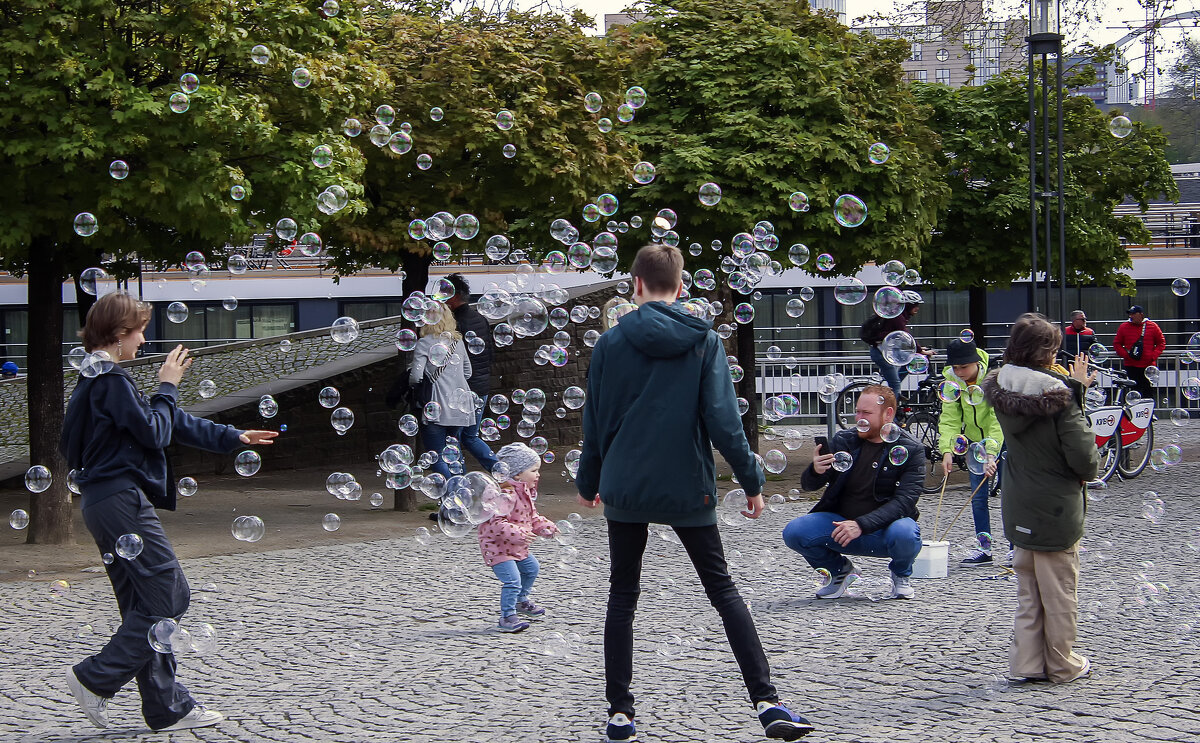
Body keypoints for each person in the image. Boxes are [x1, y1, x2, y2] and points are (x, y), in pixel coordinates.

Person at [576, 244, 814, 743]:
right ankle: (767, 703)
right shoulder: (704, 341)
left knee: (623, 595)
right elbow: (725, 424)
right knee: (723, 591)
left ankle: (619, 712)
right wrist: (753, 481)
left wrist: (589, 482)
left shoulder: (608, 345)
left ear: (635, 285)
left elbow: (593, 424)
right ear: (681, 288)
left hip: (625, 486)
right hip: (687, 487)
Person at [59, 292, 278, 731]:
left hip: (100, 503)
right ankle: (95, 678)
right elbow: (156, 430)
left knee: (143, 608)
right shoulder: (111, 381)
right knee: (170, 596)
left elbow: (169, 422)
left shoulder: (93, 380)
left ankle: (167, 707)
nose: (143, 340)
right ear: (119, 334)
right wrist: (168, 384)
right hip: (121, 502)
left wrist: (232, 436)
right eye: (138, 331)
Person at [981, 313, 1098, 684]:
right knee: (1060, 591)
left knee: (1029, 588)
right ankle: (1063, 664)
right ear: (1048, 353)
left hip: (1018, 499)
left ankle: (1026, 663)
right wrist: (1076, 390)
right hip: (1055, 506)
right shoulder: (1059, 396)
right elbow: (1084, 459)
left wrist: (1070, 388)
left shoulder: (1001, 387)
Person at [783, 385, 925, 600]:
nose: (859, 418)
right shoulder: (844, 440)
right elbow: (809, 486)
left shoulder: (911, 448)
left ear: (888, 414)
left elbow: (905, 501)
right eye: (857, 411)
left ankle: (900, 574)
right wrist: (816, 470)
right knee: (795, 531)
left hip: (886, 530)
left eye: (866, 413)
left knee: (906, 532)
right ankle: (839, 572)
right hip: (841, 524)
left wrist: (861, 524)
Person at [477, 443, 558, 633]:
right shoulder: (504, 495)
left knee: (531, 569)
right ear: (517, 474)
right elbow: (495, 524)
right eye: (534, 470)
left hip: (515, 545)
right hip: (497, 547)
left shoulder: (525, 492)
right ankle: (507, 616)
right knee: (512, 580)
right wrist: (521, 533)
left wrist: (545, 526)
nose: (538, 474)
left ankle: (522, 600)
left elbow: (532, 517)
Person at [938, 339, 1004, 566]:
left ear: (976, 362)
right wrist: (947, 451)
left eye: (964, 367)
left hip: (1003, 443)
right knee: (978, 499)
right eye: (955, 368)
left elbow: (998, 421)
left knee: (1010, 498)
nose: (959, 372)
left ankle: (1017, 549)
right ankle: (984, 550)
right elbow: (949, 419)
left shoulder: (994, 380)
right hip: (975, 444)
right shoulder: (952, 382)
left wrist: (992, 453)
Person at [410, 302, 475, 478]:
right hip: (460, 404)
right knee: (453, 452)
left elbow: (416, 377)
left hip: (435, 405)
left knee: (437, 455)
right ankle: (463, 492)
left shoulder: (424, 343)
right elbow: (468, 371)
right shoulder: (457, 341)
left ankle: (452, 493)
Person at [445, 273, 499, 472]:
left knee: (454, 438)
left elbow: (452, 360)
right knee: (470, 436)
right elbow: (491, 354)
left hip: (463, 390)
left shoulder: (453, 324)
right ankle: (500, 470)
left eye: (444, 293)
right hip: (481, 386)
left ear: (453, 296)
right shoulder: (480, 318)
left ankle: (460, 483)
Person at [863, 291, 934, 396]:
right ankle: (892, 410)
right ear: (908, 306)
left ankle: (893, 395)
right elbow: (906, 335)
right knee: (895, 384)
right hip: (880, 353)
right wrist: (921, 351)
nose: (917, 308)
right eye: (915, 306)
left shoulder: (898, 316)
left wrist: (917, 350)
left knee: (910, 360)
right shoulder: (898, 317)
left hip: (887, 351)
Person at [1113, 305, 1165, 401]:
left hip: (1148, 366)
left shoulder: (1152, 326)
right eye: (1130, 314)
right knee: (1133, 392)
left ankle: (1148, 414)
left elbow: (1161, 342)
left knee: (1148, 392)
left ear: (1141, 314)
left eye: (1133, 314)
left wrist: (1153, 356)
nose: (1131, 316)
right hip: (1131, 365)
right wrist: (1126, 356)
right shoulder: (1124, 327)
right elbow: (1117, 343)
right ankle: (1133, 415)